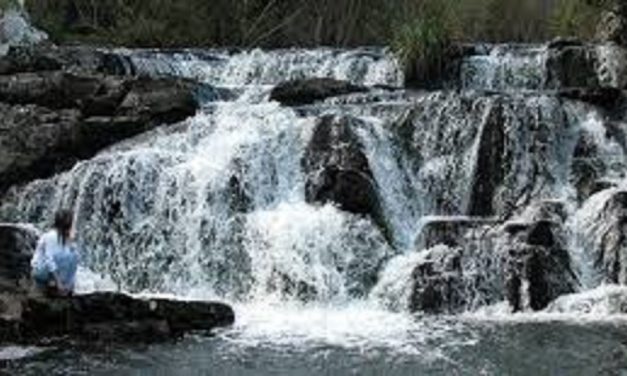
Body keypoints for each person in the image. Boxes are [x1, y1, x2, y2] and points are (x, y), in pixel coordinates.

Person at [31, 209, 79, 297]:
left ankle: (67, 287)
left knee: (72, 255)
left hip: (55, 271)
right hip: (41, 271)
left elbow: (73, 264)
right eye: (72, 223)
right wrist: (59, 284)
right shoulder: (51, 236)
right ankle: (54, 285)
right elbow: (50, 261)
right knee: (68, 256)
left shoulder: (68, 240)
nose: (74, 226)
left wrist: (70, 286)